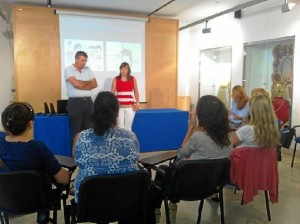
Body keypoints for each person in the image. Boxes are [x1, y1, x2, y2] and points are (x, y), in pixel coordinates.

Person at [153, 95, 232, 222]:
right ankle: (171, 206)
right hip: (210, 187)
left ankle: (156, 211)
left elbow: (181, 154)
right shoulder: (228, 140)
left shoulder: (198, 138)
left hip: (186, 186)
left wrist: (190, 129)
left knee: (161, 171)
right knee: (174, 172)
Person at [0, 102, 70, 224]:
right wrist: (68, 174)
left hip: (5, 201)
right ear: (30, 124)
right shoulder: (38, 148)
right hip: (37, 202)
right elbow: (62, 179)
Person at [73, 91, 140, 203]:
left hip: (90, 203)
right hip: (125, 201)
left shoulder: (80, 137)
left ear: (94, 111)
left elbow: (77, 160)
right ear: (117, 113)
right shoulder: (131, 137)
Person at [65, 51, 98, 141]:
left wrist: (81, 84)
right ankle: (75, 153)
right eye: (83, 60)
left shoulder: (88, 69)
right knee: (76, 130)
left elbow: (95, 84)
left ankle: (87, 153)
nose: (84, 63)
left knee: (89, 130)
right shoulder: (68, 69)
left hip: (88, 102)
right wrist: (88, 83)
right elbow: (76, 84)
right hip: (75, 103)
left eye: (85, 61)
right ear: (76, 59)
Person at [111, 62, 139, 130]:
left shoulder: (133, 79)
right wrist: (113, 105)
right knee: (120, 128)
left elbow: (136, 91)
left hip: (130, 107)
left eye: (125, 69)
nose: (123, 71)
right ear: (120, 69)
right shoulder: (116, 79)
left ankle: (128, 140)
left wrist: (137, 103)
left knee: (128, 128)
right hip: (119, 107)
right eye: (122, 69)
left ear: (128, 70)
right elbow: (112, 93)